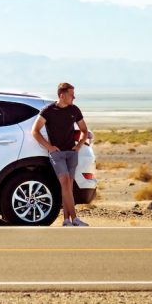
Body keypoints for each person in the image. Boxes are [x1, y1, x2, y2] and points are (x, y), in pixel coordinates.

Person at [31, 82, 93, 226]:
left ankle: (66, 220)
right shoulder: (48, 111)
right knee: (65, 183)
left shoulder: (74, 110)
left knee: (68, 187)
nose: (74, 97)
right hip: (57, 154)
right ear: (62, 95)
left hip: (71, 153)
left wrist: (78, 146)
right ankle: (75, 219)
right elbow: (35, 131)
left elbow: (84, 130)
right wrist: (50, 147)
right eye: (71, 95)